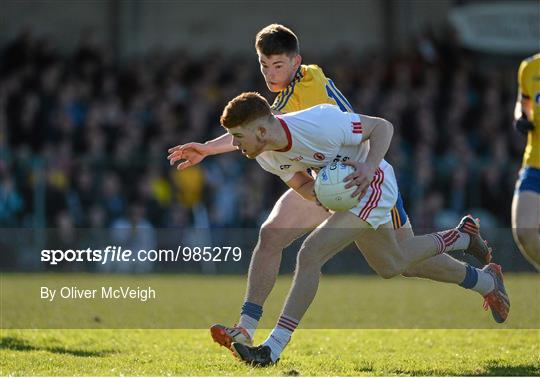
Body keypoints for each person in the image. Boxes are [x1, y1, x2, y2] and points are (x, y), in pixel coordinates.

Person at [167, 24, 503, 350]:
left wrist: (211, 147)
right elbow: (254, 133)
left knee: (399, 261)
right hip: (326, 179)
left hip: (359, 174)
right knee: (272, 236)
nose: (270, 73)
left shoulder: (307, 85)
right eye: (264, 65)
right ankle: (246, 327)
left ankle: (470, 253)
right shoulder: (281, 103)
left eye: (278, 65)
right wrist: (210, 148)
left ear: (296, 63)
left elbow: (260, 128)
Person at [217, 92, 510, 366]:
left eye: (238, 137)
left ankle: (273, 348)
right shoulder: (266, 154)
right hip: (348, 194)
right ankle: (472, 257)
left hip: (374, 184)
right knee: (393, 264)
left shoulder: (319, 123)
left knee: (310, 254)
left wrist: (368, 167)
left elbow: (382, 127)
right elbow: (304, 185)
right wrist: (322, 194)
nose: (235, 145)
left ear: (262, 131)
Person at [511, 53, 540, 270]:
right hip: (535, 161)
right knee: (524, 232)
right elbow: (524, 103)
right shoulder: (529, 68)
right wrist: (521, 117)